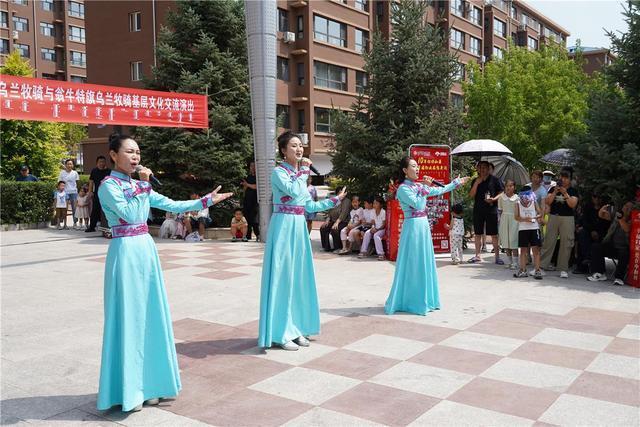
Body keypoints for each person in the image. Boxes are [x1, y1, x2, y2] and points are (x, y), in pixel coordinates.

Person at [96, 134, 232, 412]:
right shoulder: (107, 186)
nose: (135, 157)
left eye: (138, 152)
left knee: (150, 316)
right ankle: (129, 389)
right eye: (129, 151)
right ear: (113, 155)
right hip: (125, 252)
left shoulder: (138, 185)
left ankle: (151, 384)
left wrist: (206, 201)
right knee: (130, 317)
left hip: (145, 249)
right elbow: (131, 216)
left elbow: (173, 204)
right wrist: (144, 185)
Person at [258, 131, 347, 351]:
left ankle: (296, 328)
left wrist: (335, 200)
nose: (299, 150)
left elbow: (309, 206)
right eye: (294, 146)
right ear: (283, 150)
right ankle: (281, 332)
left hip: (298, 226)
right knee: (284, 278)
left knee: (298, 279)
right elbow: (294, 190)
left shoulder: (299, 176)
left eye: (300, 146)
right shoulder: (279, 173)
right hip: (284, 226)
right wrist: (305, 171)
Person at [385, 157, 467, 315]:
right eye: (413, 166)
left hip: (423, 226)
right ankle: (411, 301)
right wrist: (425, 188)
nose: (417, 169)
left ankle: (427, 299)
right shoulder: (403, 189)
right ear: (404, 170)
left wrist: (455, 183)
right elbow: (418, 204)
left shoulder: (418, 185)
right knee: (414, 263)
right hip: (413, 227)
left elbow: (439, 190)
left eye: (418, 166)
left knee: (424, 262)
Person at [540, 170, 579, 278]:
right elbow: (548, 202)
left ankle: (563, 269)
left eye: (566, 178)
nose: (563, 179)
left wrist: (565, 193)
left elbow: (572, 204)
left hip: (567, 218)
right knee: (548, 241)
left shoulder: (573, 191)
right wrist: (555, 192)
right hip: (553, 217)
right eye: (562, 177)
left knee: (566, 243)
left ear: (570, 179)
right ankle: (542, 266)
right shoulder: (553, 189)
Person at [587, 201, 633, 285]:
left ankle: (619, 278)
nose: (626, 208)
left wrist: (620, 218)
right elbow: (602, 215)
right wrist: (602, 210)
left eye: (629, 208)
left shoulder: (632, 220)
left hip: (624, 248)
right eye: (626, 206)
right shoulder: (616, 216)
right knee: (596, 247)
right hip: (612, 246)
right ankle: (599, 273)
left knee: (624, 253)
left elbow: (626, 228)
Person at [468, 161, 504, 264]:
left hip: (491, 209)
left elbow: (501, 192)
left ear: (489, 169)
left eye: (484, 168)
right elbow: (471, 195)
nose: (482, 170)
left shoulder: (495, 180)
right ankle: (477, 255)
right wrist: (476, 183)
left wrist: (494, 199)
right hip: (478, 209)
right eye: (480, 168)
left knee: (494, 234)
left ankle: (497, 257)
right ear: (478, 169)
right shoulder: (475, 180)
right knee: (478, 233)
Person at [574, 193, 611, 274]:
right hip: (589, 231)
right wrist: (592, 231)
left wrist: (597, 232)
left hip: (601, 233)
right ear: (592, 197)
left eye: (599, 197)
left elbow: (606, 224)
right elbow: (585, 221)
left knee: (596, 243)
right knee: (582, 234)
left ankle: (589, 259)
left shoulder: (605, 209)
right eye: (595, 196)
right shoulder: (588, 207)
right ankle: (585, 261)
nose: (597, 199)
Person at [513, 187, 544, 279]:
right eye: (524, 197)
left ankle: (537, 271)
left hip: (534, 228)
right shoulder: (517, 203)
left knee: (536, 250)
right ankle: (523, 270)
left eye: (528, 197)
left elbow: (540, 213)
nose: (526, 199)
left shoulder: (534, 202)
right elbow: (516, 217)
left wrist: (534, 217)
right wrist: (525, 219)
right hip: (523, 229)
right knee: (523, 250)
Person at [498, 179, 520, 270]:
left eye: (511, 186)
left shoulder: (517, 198)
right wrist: (499, 221)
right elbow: (500, 210)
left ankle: (515, 263)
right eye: (507, 186)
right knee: (506, 241)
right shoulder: (501, 197)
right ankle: (509, 262)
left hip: (514, 220)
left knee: (513, 241)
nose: (509, 188)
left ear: (514, 187)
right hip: (504, 219)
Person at [87, 156, 111, 232]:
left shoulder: (109, 171)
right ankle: (92, 227)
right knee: (95, 210)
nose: (101, 163)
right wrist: (90, 192)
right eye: (100, 162)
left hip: (107, 194)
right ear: (97, 163)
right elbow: (91, 182)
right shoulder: (94, 171)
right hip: (97, 193)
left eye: (103, 161)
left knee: (107, 210)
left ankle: (108, 226)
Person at [58, 159, 80, 230]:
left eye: (71, 164)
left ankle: (75, 223)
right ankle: (64, 224)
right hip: (64, 193)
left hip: (73, 192)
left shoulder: (75, 173)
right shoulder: (62, 173)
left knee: (75, 209)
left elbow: (77, 183)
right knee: (64, 209)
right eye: (68, 164)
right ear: (65, 165)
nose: (69, 165)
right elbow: (59, 183)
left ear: (73, 165)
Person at [242, 161, 260, 241]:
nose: (252, 168)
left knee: (254, 219)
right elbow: (245, 189)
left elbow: (256, 187)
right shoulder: (248, 177)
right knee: (247, 218)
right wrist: (245, 187)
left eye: (254, 166)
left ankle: (258, 234)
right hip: (247, 200)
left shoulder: (259, 177)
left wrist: (247, 185)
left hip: (255, 200)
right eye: (251, 166)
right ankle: (248, 235)